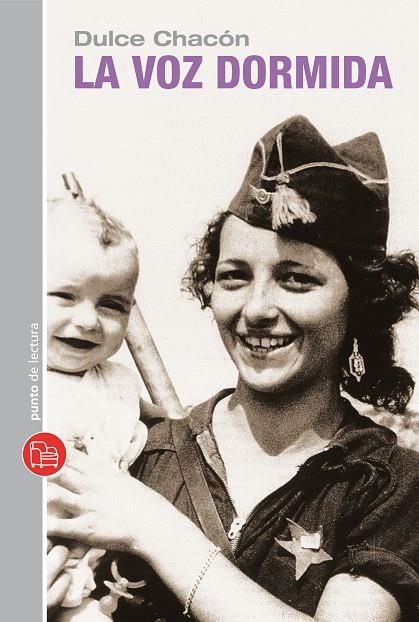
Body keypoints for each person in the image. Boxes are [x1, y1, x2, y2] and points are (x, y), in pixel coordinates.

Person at [48, 116, 419, 621]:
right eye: (234, 277)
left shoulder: (386, 484)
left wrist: (154, 528)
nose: (257, 308)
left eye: (296, 279)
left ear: (362, 303)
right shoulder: (133, 448)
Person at [47, 196, 148, 614]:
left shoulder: (117, 385)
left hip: (81, 580)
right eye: (64, 296)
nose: (89, 320)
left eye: (112, 304)